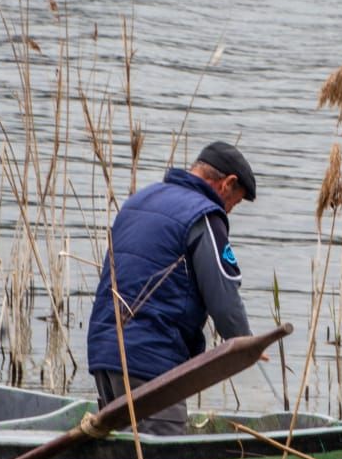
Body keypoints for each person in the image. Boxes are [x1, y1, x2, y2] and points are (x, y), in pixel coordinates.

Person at [86, 141, 258, 435]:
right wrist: (245, 345)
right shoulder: (204, 216)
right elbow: (223, 296)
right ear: (227, 184)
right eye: (235, 202)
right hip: (152, 363)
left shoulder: (139, 201)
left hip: (104, 353)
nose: (229, 210)